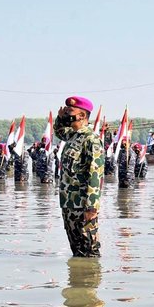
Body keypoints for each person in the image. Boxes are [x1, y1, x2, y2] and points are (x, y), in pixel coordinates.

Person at [55, 96, 105, 257]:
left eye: (71, 111)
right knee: (77, 252)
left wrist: (91, 206)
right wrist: (60, 118)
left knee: (89, 252)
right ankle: (77, 282)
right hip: (69, 204)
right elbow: (60, 131)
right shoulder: (73, 136)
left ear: (82, 116)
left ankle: (91, 281)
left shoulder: (91, 139)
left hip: (83, 206)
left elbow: (95, 174)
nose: (67, 114)